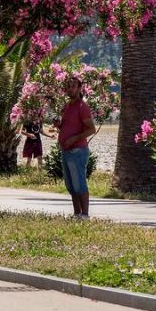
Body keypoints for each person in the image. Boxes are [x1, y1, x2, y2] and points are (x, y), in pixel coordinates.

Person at [57, 75, 97, 219]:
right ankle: (77, 214)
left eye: (73, 86)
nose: (70, 89)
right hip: (66, 151)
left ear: (79, 88)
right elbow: (68, 125)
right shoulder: (68, 106)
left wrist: (74, 138)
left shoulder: (82, 106)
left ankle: (85, 215)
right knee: (71, 185)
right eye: (68, 86)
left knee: (79, 183)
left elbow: (91, 129)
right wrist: (58, 125)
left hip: (77, 151)